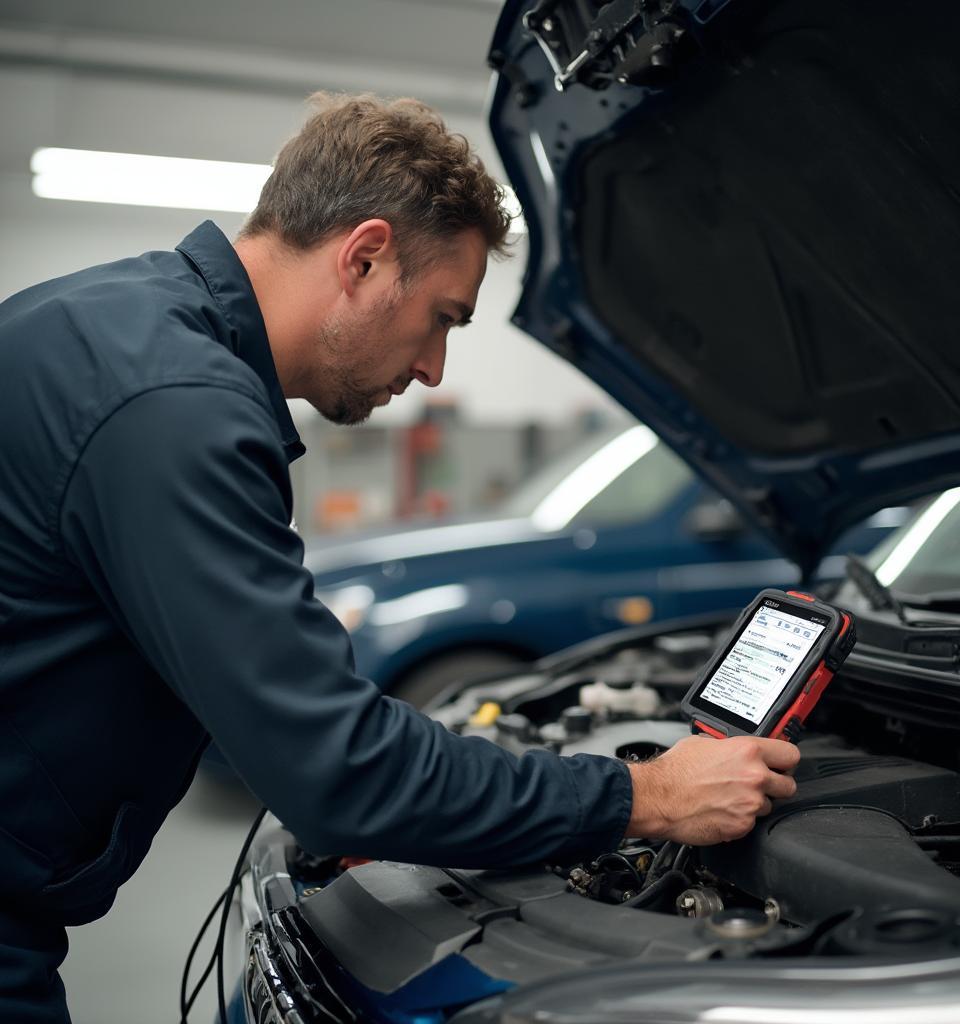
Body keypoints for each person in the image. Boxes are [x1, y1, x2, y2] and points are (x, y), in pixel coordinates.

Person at [0, 92, 798, 1022]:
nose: (434, 369)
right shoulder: (174, 408)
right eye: (443, 318)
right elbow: (340, 774)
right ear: (365, 255)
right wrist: (641, 794)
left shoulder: (104, 323)